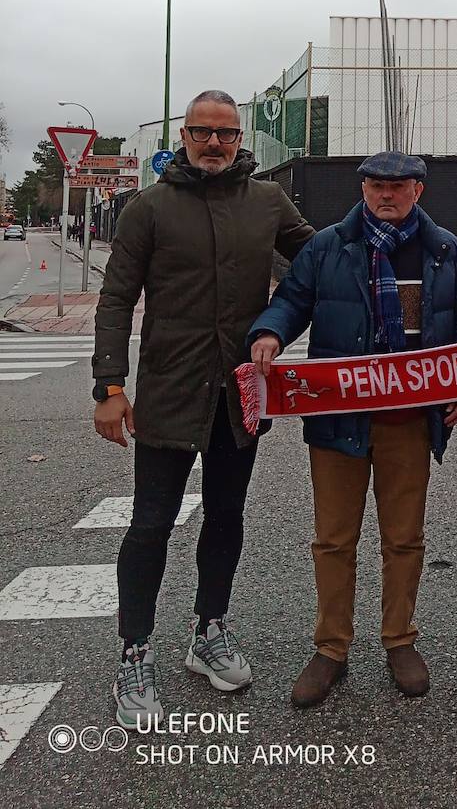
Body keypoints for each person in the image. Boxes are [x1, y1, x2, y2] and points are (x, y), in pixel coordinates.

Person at [92, 90, 315, 729]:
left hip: (237, 393)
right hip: (168, 390)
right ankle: (134, 652)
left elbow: (321, 261)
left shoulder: (269, 202)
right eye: (201, 132)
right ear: (184, 135)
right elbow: (114, 302)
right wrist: (109, 387)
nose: (214, 143)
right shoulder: (149, 208)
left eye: (225, 134)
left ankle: (208, 630)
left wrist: (391, 239)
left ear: (240, 138)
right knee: (151, 524)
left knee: (226, 515)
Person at [248, 151, 457, 704]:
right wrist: (270, 333)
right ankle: (331, 648)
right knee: (333, 538)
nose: (386, 196)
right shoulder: (328, 245)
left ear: (418, 192)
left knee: (403, 537)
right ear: (363, 189)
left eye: (399, 187)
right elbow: (294, 299)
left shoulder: (445, 250)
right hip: (339, 416)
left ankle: (399, 639)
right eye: (376, 186)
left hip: (409, 420)